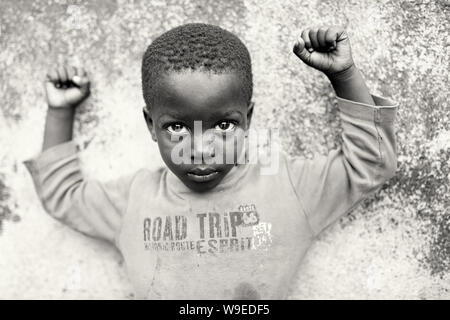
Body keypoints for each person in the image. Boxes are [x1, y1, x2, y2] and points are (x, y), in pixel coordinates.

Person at [25, 23, 397, 299]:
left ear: (247, 120)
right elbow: (64, 195)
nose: (202, 149)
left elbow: (370, 164)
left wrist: (344, 76)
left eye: (223, 124)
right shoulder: (133, 201)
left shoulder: (289, 188)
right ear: (150, 125)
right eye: (177, 127)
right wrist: (61, 113)